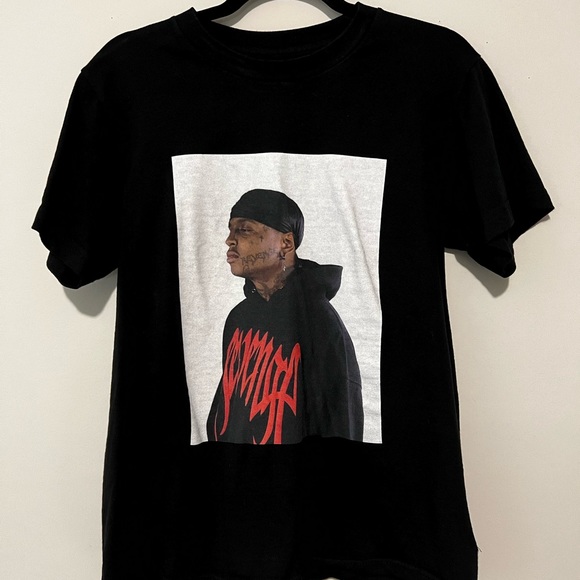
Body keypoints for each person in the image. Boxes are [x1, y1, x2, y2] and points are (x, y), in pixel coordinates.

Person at [207, 188, 364, 444]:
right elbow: (226, 409)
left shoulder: (320, 321)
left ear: (286, 243)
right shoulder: (238, 318)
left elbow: (340, 418)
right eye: (230, 229)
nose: (229, 240)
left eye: (244, 230)